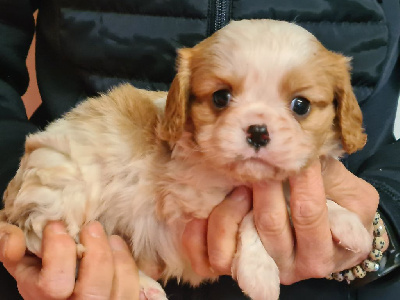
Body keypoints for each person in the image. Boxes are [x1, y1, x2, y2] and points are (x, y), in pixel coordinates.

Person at [0, 0, 399, 299]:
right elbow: (198, 204)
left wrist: (387, 219)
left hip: (339, 291)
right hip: (67, 248)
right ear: (182, 102)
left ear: (339, 107)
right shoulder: (183, 143)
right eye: (222, 98)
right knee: (56, 206)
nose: (258, 130)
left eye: (299, 106)